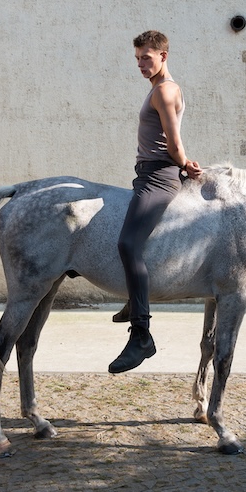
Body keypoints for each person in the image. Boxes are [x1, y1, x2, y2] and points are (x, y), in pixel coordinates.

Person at [108, 30, 203, 374]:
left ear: (163, 56)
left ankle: (141, 335)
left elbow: (173, 144)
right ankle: (134, 299)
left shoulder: (164, 90)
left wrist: (184, 163)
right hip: (148, 174)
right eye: (137, 58)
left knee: (128, 244)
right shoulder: (160, 88)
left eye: (146, 58)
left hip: (158, 177)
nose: (140, 64)